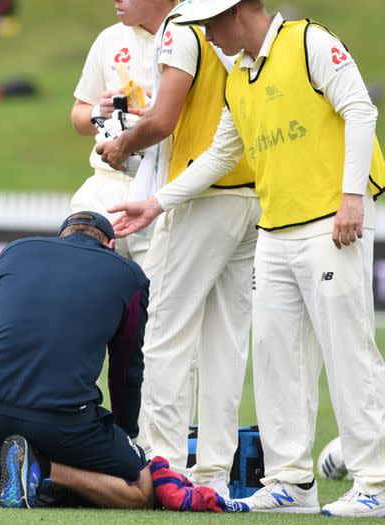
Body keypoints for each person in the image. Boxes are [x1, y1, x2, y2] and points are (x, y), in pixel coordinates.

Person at [109, 0, 385, 517]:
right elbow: (221, 154)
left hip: (333, 221)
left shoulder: (310, 42)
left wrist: (353, 197)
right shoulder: (239, 74)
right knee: (275, 357)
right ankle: (290, 482)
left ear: (239, 12)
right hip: (275, 227)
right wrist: (156, 202)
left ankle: (375, 480)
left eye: (213, 23)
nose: (209, 36)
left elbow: (360, 109)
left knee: (348, 350)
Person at [95, 0, 259, 496]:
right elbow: (191, 112)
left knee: (166, 332)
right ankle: (212, 471)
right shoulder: (226, 22)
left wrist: (124, 143)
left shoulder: (182, 23)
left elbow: (165, 120)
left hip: (201, 195)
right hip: (249, 188)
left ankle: (162, 463)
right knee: (225, 343)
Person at [0, 211, 154, 509]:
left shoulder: (14, 251)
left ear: (60, 237)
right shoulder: (130, 275)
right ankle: (42, 465)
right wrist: (124, 434)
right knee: (141, 491)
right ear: (111, 245)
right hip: (65, 425)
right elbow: (126, 370)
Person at [69, 0, 176, 267]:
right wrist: (99, 109)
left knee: (153, 304)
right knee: (88, 292)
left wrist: (160, 105)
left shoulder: (194, 34)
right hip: (105, 185)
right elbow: (78, 118)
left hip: (162, 190)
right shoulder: (110, 38)